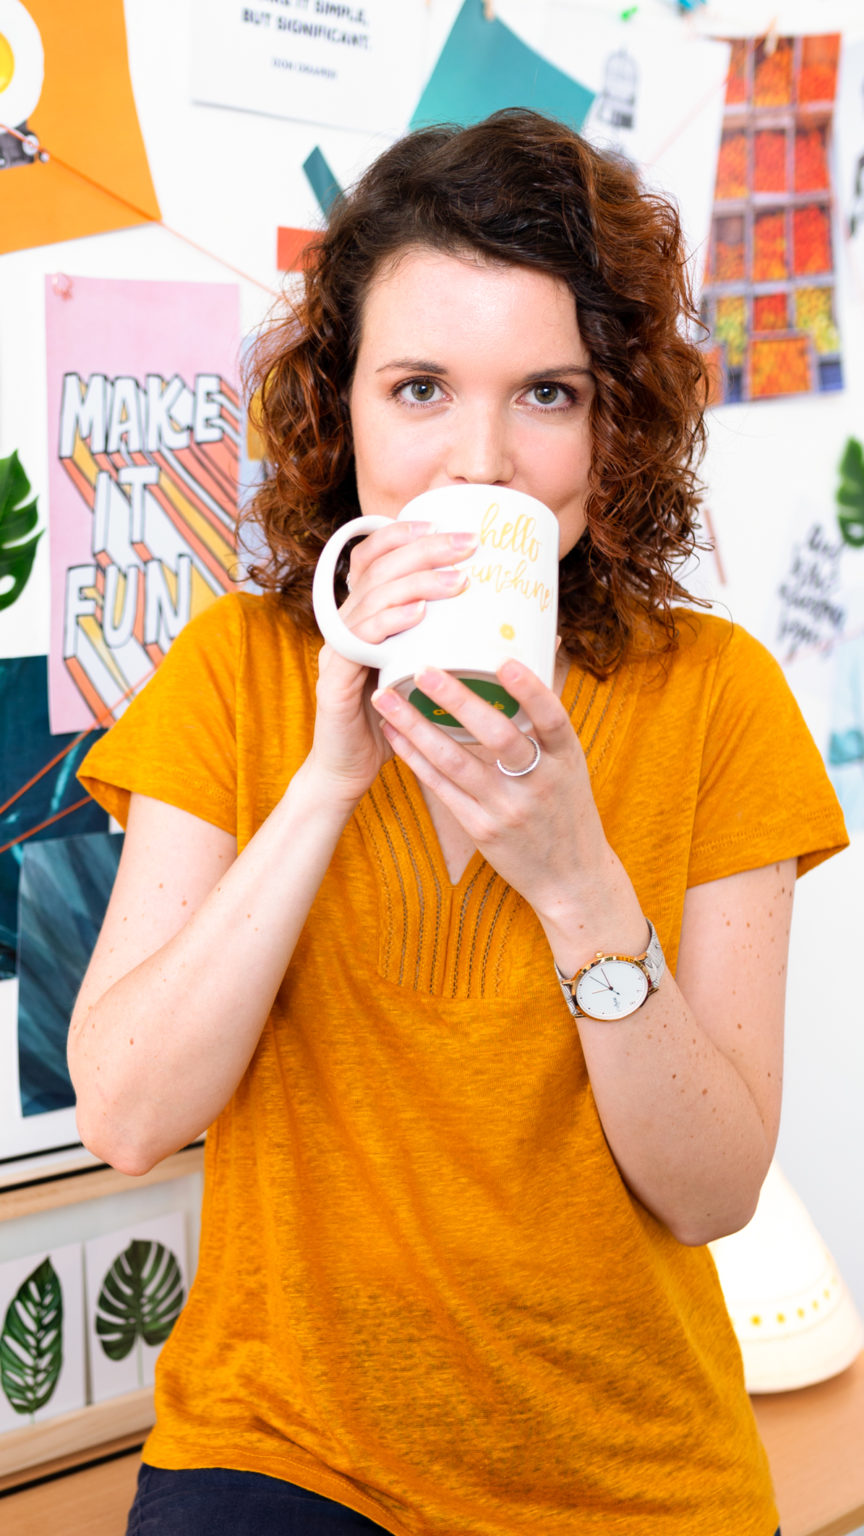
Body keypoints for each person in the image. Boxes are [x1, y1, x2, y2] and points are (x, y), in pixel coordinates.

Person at [68, 110, 847, 1536]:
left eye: (546, 394)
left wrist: (578, 883)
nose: (479, 462)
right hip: (283, 1450)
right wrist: (327, 781)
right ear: (341, 407)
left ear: (615, 420)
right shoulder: (237, 671)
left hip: (629, 1479)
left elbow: (712, 1193)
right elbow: (127, 1116)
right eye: (419, 388)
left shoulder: (719, 698)